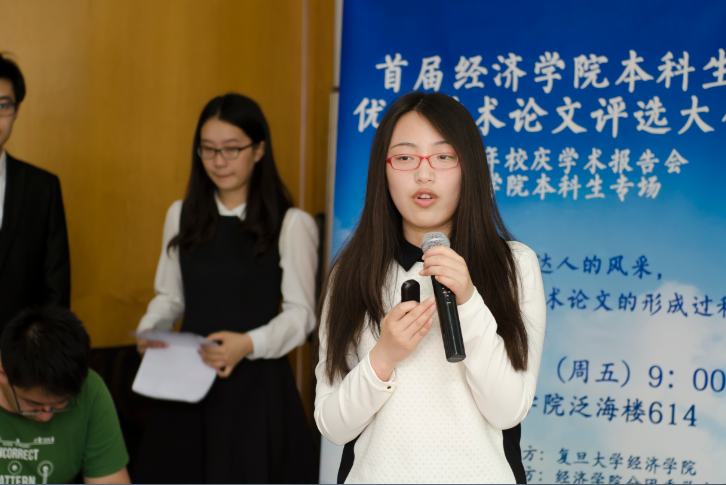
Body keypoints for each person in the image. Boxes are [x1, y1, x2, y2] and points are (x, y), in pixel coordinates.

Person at [315, 92, 546, 484]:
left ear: (469, 167)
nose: (424, 174)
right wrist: (383, 356)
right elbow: (333, 426)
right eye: (405, 157)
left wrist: (469, 301)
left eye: (443, 156)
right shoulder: (352, 273)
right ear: (383, 170)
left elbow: (508, 410)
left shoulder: (514, 265)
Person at [133, 94, 319, 484]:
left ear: (258, 150)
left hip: (257, 389)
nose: (219, 161)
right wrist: (152, 328)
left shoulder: (291, 224)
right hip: (188, 382)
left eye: (231, 149)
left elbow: (302, 315)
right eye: (208, 149)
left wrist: (247, 344)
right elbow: (171, 296)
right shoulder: (181, 214)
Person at [0, 307, 130, 484]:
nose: (46, 416)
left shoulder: (91, 389)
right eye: (33, 404)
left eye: (59, 403)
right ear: (1, 374)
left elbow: (110, 479)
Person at [0, 53, 70, 341]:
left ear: (16, 110)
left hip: (25, 358)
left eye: (3, 105)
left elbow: (56, 291)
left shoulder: (43, 188)